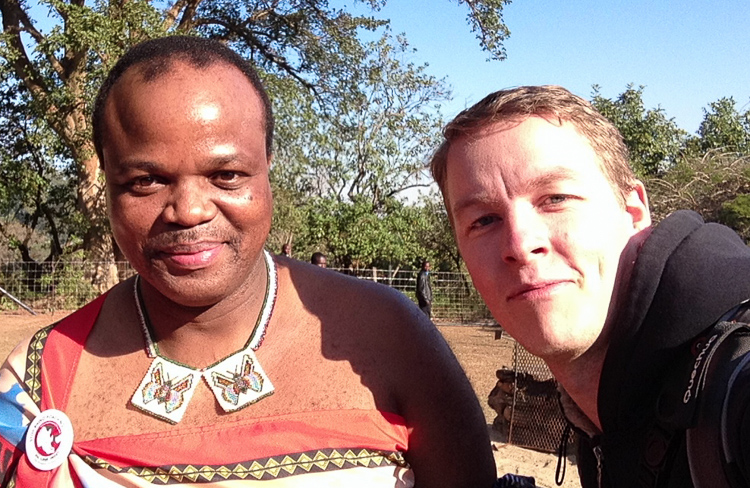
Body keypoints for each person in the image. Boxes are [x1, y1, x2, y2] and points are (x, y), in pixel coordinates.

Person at [0, 36, 496, 487]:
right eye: (146, 181)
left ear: (267, 168)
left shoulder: (392, 341)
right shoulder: (33, 388)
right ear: (105, 182)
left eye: (228, 175)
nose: (189, 210)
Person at [430, 85, 750, 487]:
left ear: (633, 212)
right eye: (483, 221)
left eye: (556, 198)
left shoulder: (734, 388)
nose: (520, 245)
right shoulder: (605, 416)